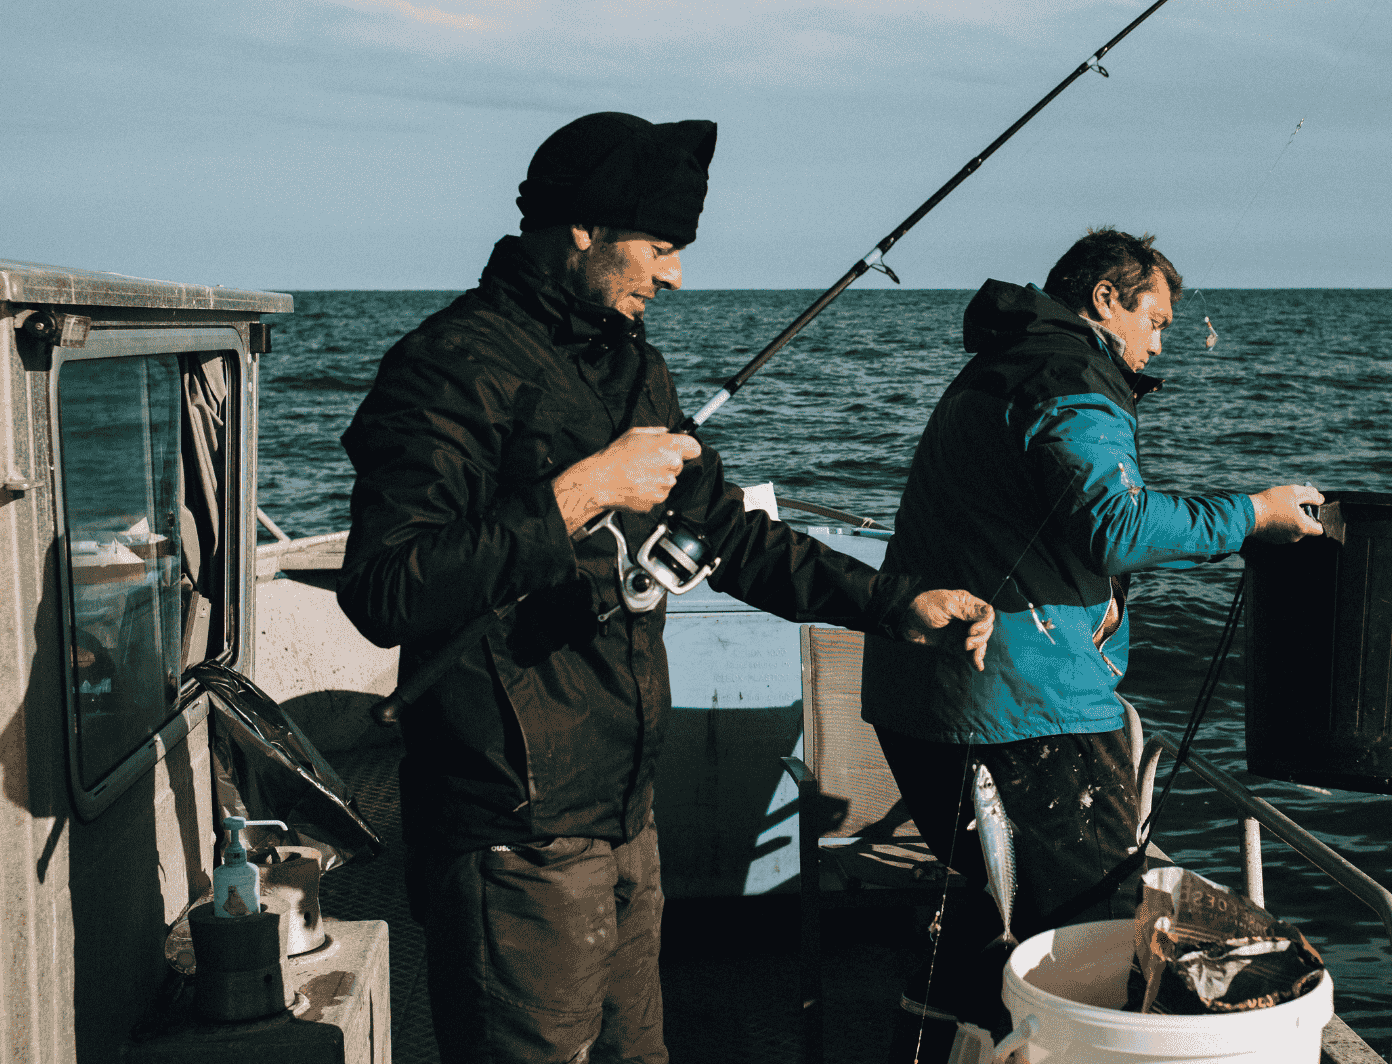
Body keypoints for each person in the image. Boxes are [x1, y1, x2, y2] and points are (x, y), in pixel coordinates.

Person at [336, 111, 995, 1064]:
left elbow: (728, 535)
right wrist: (582, 490)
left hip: (625, 808)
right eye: (658, 246)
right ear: (580, 229)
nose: (675, 274)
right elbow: (386, 588)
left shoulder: (629, 364)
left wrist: (900, 604)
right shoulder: (448, 367)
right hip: (511, 831)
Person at [860, 228, 1323, 1059]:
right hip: (1017, 711)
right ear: (1107, 300)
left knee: (981, 912)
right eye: (1158, 319)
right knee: (1090, 934)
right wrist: (1254, 513)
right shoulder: (1069, 374)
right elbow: (1114, 523)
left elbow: (1032, 526)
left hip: (927, 699)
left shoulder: (1003, 367)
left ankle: (932, 1045)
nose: (1160, 340)